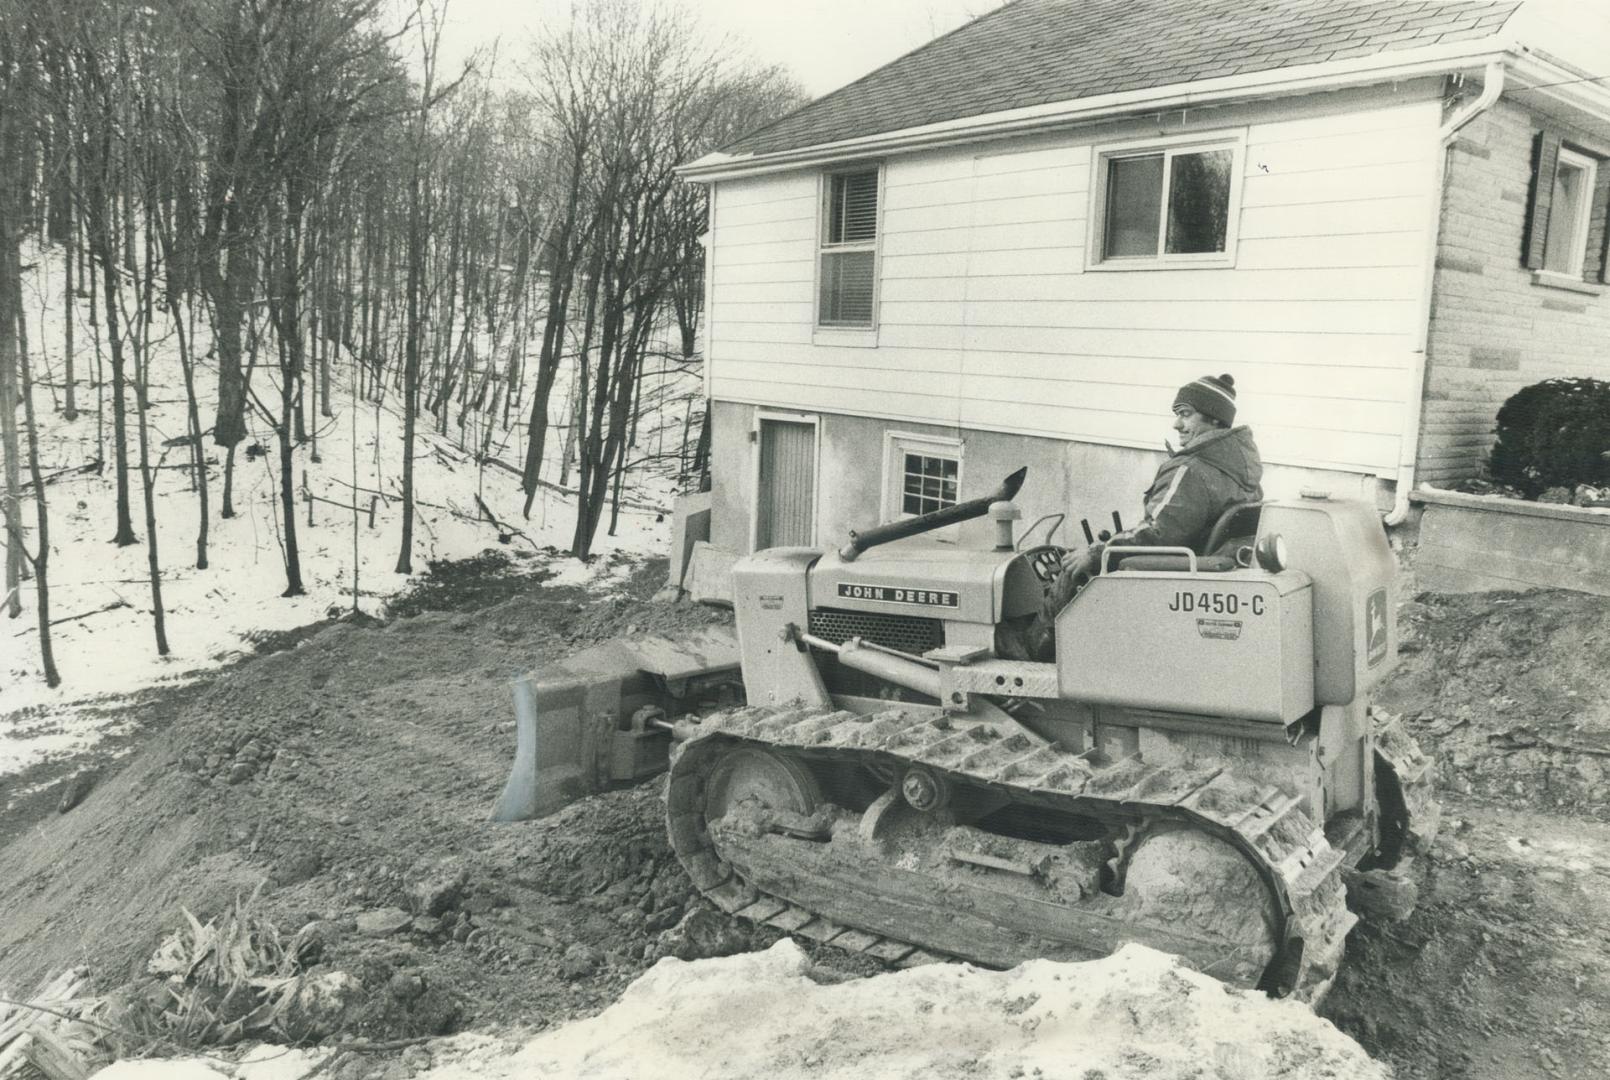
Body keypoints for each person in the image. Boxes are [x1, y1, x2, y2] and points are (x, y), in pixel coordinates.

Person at [998, 373, 1264, 661]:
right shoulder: (1239, 473)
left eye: (1185, 415)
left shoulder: (1190, 470)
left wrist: (1099, 552)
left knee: (1074, 568)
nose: (1177, 424)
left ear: (1214, 419)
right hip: (1197, 573)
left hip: (1170, 575)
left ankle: (1035, 645)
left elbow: (1159, 533)